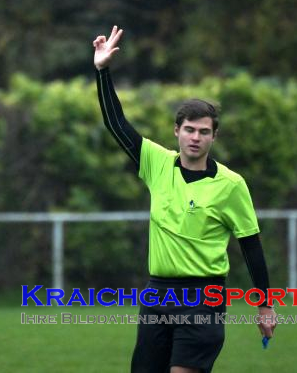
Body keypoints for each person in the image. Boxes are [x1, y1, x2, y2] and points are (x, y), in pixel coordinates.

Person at [93, 25, 276, 373]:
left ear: (214, 136)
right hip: (157, 295)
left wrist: (265, 305)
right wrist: (103, 72)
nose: (195, 137)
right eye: (189, 129)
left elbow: (251, 245)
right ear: (177, 131)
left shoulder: (231, 185)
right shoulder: (157, 163)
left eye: (204, 131)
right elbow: (116, 122)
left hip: (204, 298)